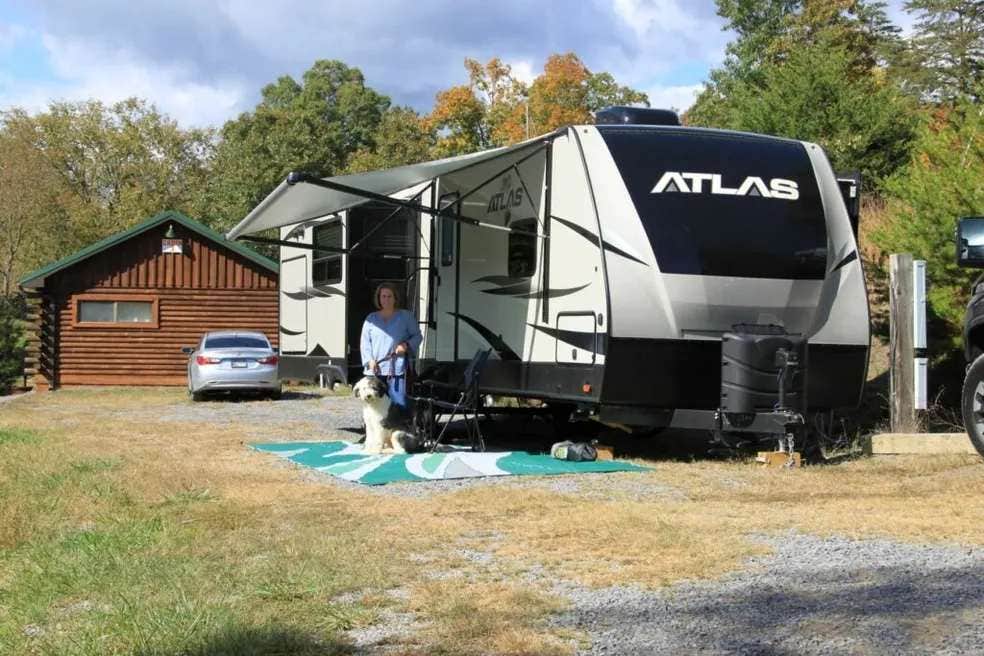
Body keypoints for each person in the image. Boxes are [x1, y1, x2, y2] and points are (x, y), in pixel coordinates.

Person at [360, 282, 422, 410]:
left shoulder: (406, 316)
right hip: (374, 370)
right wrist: (370, 360)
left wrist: (406, 345)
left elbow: (417, 336)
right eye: (383, 296)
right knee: (374, 407)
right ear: (379, 298)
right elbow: (365, 343)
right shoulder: (371, 319)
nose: (386, 299)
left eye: (389, 296)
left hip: (397, 370)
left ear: (395, 298)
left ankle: (399, 428)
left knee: (398, 405)